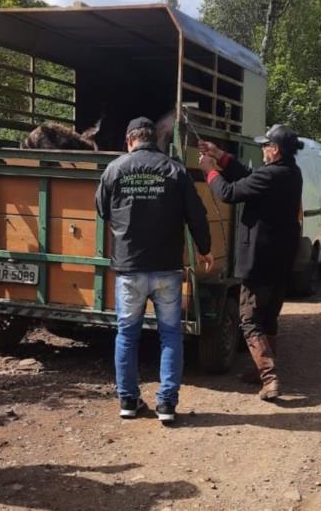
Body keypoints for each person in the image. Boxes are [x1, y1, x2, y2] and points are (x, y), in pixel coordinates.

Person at [96, 116, 213, 423]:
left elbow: (101, 209)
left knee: (126, 335)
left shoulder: (114, 169)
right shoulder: (175, 170)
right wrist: (204, 249)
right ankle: (166, 405)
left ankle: (128, 401)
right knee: (171, 335)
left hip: (129, 269)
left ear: (129, 140)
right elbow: (197, 214)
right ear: (154, 139)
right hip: (167, 269)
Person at [198, 125, 303, 401]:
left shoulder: (272, 175)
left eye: (265, 146)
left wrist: (210, 170)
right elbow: (250, 178)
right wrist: (221, 156)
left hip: (260, 262)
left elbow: (230, 193)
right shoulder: (291, 173)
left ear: (276, 149)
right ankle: (263, 371)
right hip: (281, 261)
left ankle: (269, 379)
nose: (263, 150)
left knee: (249, 319)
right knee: (268, 318)